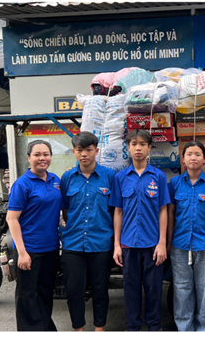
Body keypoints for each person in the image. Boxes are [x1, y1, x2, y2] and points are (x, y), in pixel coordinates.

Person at [109, 129, 171, 331]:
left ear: (149, 148)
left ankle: (154, 326)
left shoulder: (159, 177)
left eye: (142, 144)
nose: (138, 148)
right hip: (128, 244)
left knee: (154, 289)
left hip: (152, 243)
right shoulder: (120, 177)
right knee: (131, 288)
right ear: (128, 148)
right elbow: (118, 212)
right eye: (134, 144)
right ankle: (133, 327)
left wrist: (162, 243)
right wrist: (117, 245)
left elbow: (163, 211)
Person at [60, 132, 117, 332]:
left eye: (88, 150)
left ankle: (99, 328)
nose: (84, 154)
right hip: (73, 243)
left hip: (101, 242)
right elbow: (65, 210)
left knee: (100, 288)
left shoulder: (110, 177)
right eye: (79, 150)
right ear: (74, 152)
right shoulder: (67, 177)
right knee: (74, 289)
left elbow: (114, 210)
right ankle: (79, 329)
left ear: (96, 151)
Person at [7, 139, 61, 331]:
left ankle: (46, 327)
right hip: (29, 249)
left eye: (45, 154)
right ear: (29, 157)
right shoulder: (22, 184)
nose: (42, 158)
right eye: (37, 155)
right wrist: (21, 252)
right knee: (27, 294)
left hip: (51, 247)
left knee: (46, 292)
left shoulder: (56, 181)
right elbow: (12, 219)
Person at [167, 141, 205, 332]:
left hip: (204, 244)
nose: (193, 158)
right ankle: (185, 329)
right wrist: (168, 242)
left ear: (204, 159)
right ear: (183, 159)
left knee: (204, 289)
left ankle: (204, 329)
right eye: (189, 154)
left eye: (197, 154)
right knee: (181, 290)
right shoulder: (174, 183)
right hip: (180, 244)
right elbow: (171, 214)